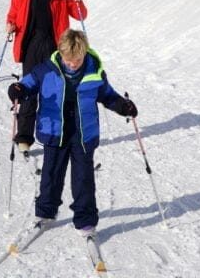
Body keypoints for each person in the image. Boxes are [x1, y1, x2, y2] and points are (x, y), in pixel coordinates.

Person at [7, 29, 138, 236]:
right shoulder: (46, 69)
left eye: (76, 60)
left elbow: (108, 95)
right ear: (61, 53)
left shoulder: (94, 71)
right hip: (55, 128)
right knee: (51, 173)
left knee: (83, 178)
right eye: (68, 60)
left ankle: (86, 222)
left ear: (84, 53)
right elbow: (28, 83)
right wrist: (18, 89)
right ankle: (45, 213)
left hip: (83, 131)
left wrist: (123, 106)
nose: (72, 64)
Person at [6, 0, 87, 153]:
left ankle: (52, 134)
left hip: (55, 47)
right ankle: (24, 136)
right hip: (31, 46)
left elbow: (80, 14)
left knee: (52, 92)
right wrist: (10, 25)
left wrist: (77, 1)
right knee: (29, 91)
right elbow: (13, 16)